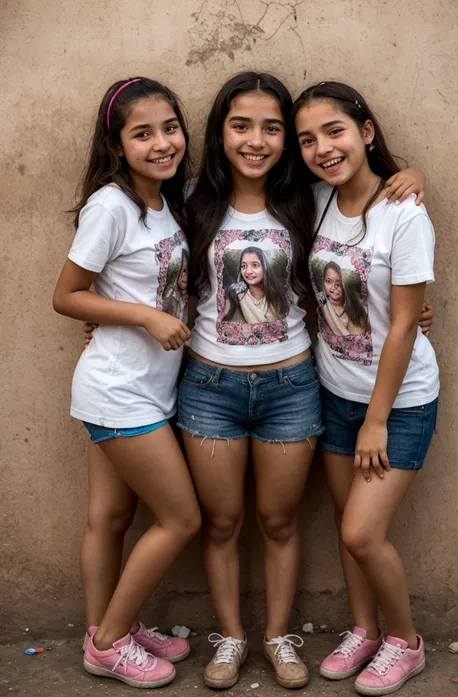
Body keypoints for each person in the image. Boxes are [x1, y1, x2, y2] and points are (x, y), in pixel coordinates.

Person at [178, 72, 429, 691]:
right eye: (241, 125)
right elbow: (147, 264)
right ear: (219, 132)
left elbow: (380, 255)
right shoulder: (194, 201)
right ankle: (236, 637)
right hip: (216, 386)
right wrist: (117, 317)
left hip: (298, 386)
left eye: (273, 129)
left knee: (293, 523)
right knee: (223, 522)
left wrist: (413, 174)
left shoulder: (305, 199)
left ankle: (288, 637)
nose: (259, 140)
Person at [53, 77, 201, 689]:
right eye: (142, 134)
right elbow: (66, 296)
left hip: (143, 387)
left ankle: (106, 628)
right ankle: (112, 644)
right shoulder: (110, 206)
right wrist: (145, 316)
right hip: (118, 391)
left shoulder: (172, 199)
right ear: (116, 145)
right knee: (181, 519)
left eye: (170, 127)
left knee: (111, 519)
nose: (161, 143)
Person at [293, 81, 439, 695]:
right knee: (343, 524)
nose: (323, 148)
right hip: (334, 393)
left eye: (335, 131)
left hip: (397, 402)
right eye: (307, 139)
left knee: (360, 532)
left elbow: (405, 323)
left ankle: (405, 642)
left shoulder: (404, 212)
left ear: (366, 132)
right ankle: (364, 629)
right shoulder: (316, 200)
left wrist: (376, 418)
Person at [223, 246, 288, 323]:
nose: (248, 271)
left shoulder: (278, 293)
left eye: (255, 265)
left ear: (265, 267)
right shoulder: (235, 294)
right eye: (244, 266)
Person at [162, 247, 189, 322]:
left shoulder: (186, 297)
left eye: (188, 270)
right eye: (183, 271)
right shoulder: (170, 296)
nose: (186, 275)